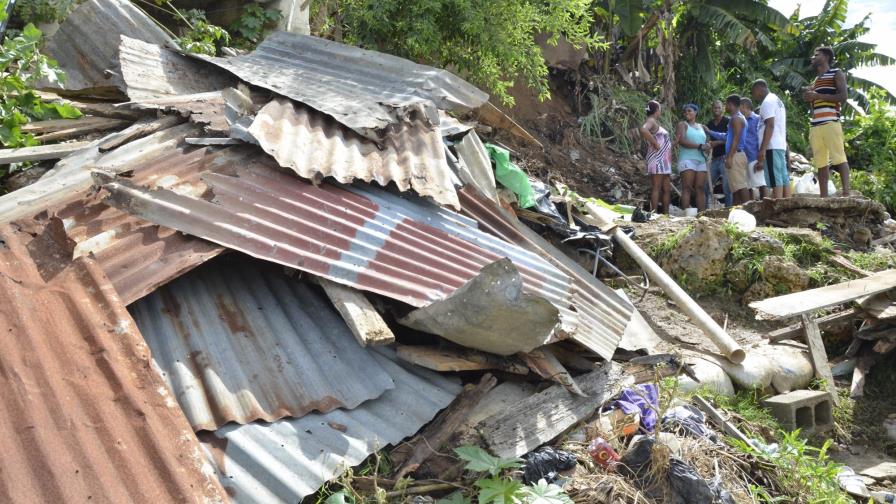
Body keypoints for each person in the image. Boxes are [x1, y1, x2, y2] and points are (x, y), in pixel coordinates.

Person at [803, 46, 850, 197]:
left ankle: (846, 193)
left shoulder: (836, 73)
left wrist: (817, 96)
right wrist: (808, 98)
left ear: (826, 57)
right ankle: (824, 198)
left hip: (831, 122)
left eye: (816, 55)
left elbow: (843, 96)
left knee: (839, 158)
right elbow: (814, 102)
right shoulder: (815, 81)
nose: (812, 57)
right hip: (816, 125)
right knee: (821, 163)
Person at [705, 95, 749, 205]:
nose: (726, 107)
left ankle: (749, 209)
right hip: (735, 154)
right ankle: (736, 212)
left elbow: (736, 139)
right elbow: (727, 136)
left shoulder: (737, 119)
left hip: (736, 155)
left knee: (740, 186)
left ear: (730, 104)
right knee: (735, 188)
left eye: (726, 105)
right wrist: (710, 132)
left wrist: (729, 157)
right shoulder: (735, 118)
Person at [751, 79, 790, 198]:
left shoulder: (767, 102)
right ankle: (787, 204)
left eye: (753, 92)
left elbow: (770, 125)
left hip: (772, 146)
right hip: (779, 145)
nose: (754, 96)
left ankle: (778, 206)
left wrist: (762, 149)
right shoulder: (776, 100)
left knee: (775, 178)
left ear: (758, 89)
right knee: (783, 176)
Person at [675, 103, 710, 211]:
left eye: (689, 111)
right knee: (687, 187)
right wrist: (699, 146)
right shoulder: (683, 124)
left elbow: (706, 141)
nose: (687, 113)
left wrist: (707, 147)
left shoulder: (702, 127)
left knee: (700, 188)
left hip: (701, 160)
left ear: (695, 112)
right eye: (685, 111)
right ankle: (686, 214)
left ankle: (702, 214)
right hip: (687, 159)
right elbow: (681, 141)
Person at [639, 100, 672, 214]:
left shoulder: (654, 122)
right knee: (657, 187)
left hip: (664, 161)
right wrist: (654, 142)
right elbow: (643, 129)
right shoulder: (651, 120)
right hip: (657, 159)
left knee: (667, 188)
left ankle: (666, 214)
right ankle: (654, 213)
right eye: (660, 109)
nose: (660, 111)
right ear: (657, 110)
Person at [704, 100, 730, 207]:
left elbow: (731, 139)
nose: (717, 110)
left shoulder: (728, 121)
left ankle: (729, 210)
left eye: (719, 108)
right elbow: (709, 140)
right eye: (715, 108)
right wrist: (708, 145)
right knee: (705, 185)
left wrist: (716, 143)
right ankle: (706, 209)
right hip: (714, 159)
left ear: (723, 109)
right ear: (712, 109)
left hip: (725, 158)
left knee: (727, 187)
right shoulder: (710, 124)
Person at [739, 97, 766, 199]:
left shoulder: (757, 119)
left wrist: (761, 160)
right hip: (744, 157)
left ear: (744, 107)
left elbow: (763, 139)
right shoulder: (741, 121)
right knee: (748, 186)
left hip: (755, 156)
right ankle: (751, 209)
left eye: (739, 107)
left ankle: (766, 207)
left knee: (761, 184)